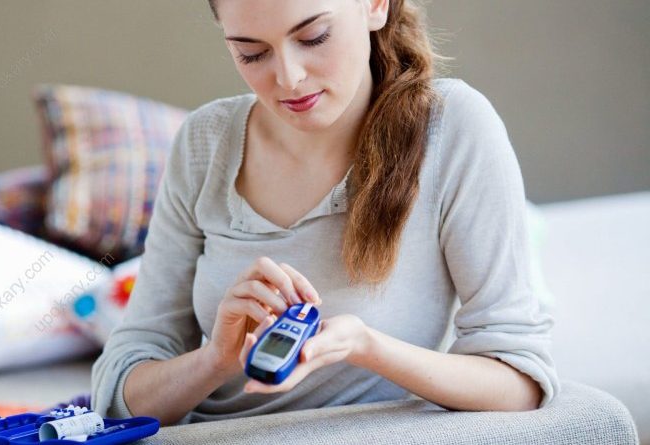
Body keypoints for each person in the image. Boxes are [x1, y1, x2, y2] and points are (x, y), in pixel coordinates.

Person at [91, 0, 560, 426]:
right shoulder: (204, 141)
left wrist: (366, 347)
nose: (289, 77)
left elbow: (519, 381)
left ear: (375, 6)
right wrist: (216, 357)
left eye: (313, 37)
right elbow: (116, 396)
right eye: (252, 53)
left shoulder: (453, 127)